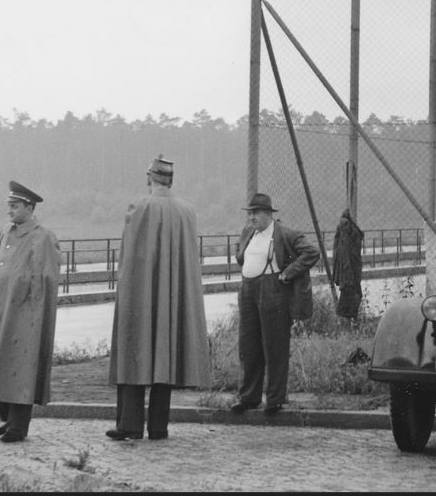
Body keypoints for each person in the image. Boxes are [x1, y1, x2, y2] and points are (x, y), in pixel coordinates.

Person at [106, 154, 210, 441]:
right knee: (164, 353)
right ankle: (158, 427)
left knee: (135, 352)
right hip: (173, 295)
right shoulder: (187, 210)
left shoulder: (139, 207)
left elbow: (130, 258)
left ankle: (129, 425)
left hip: (140, 295)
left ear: (149, 176)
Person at [0, 181, 61, 443]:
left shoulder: (43, 237)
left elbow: (48, 279)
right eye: (8, 206)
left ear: (29, 208)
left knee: (21, 368)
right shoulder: (5, 232)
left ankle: (18, 428)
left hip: (26, 316)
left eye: (15, 206)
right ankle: (8, 419)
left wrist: (33, 310)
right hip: (0, 311)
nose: (10, 211)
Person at [230, 193, 320, 416]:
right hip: (248, 289)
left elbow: (311, 252)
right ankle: (248, 397)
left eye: (256, 213)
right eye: (249, 213)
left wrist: (288, 273)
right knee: (248, 345)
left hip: (273, 290)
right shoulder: (248, 233)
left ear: (268, 214)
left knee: (275, 345)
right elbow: (240, 254)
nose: (251, 218)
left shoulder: (285, 234)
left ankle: (275, 399)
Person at [331, 207, 364, 321]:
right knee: (353, 294)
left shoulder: (344, 229)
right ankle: (349, 322)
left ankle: (347, 322)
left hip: (347, 270)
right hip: (350, 270)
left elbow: (342, 252)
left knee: (350, 295)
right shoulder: (348, 229)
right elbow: (347, 253)